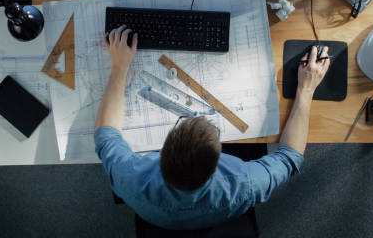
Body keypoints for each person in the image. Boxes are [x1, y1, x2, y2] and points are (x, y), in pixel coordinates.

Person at [95, 25, 330, 230]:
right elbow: (290, 157)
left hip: (156, 215)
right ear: (216, 167)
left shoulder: (129, 179)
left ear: (161, 153)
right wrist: (306, 89)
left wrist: (120, 67)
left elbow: (105, 134)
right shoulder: (245, 184)